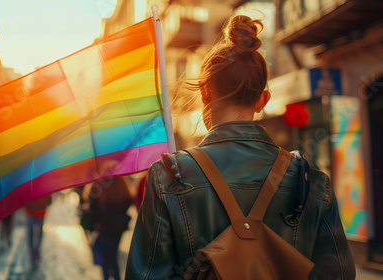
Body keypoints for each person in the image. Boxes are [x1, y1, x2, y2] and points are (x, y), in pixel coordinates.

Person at [125, 15, 355, 279]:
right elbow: (338, 274)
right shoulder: (312, 182)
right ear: (263, 99)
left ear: (204, 93)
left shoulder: (168, 176)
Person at [90, 175, 134, 280]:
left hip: (104, 226)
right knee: (113, 256)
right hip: (118, 226)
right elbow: (129, 199)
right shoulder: (121, 179)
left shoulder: (98, 183)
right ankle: (116, 277)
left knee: (106, 258)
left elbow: (92, 204)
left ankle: (107, 277)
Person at [24, 194, 52, 268]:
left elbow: (49, 199)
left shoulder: (44, 183)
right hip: (31, 211)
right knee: (32, 233)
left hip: (40, 211)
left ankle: (35, 251)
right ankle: (33, 254)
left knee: (36, 234)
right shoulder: (28, 184)